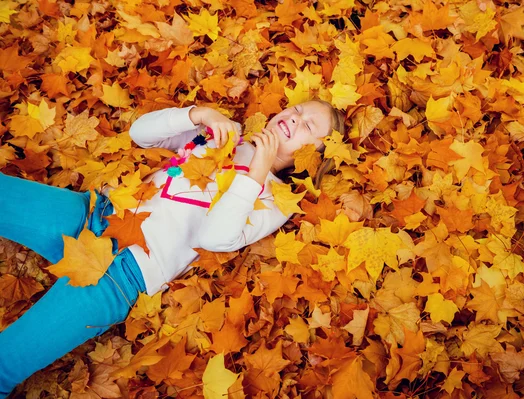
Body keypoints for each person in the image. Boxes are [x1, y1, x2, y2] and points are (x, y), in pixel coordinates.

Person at [0, 99, 345, 397]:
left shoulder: (275, 200)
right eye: (297, 110)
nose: (295, 118)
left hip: (118, 276)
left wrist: (255, 173)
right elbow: (140, 134)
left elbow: (214, 238)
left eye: (308, 125)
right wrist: (199, 115)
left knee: (6, 361)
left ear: (312, 158)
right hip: (94, 214)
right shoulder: (228, 134)